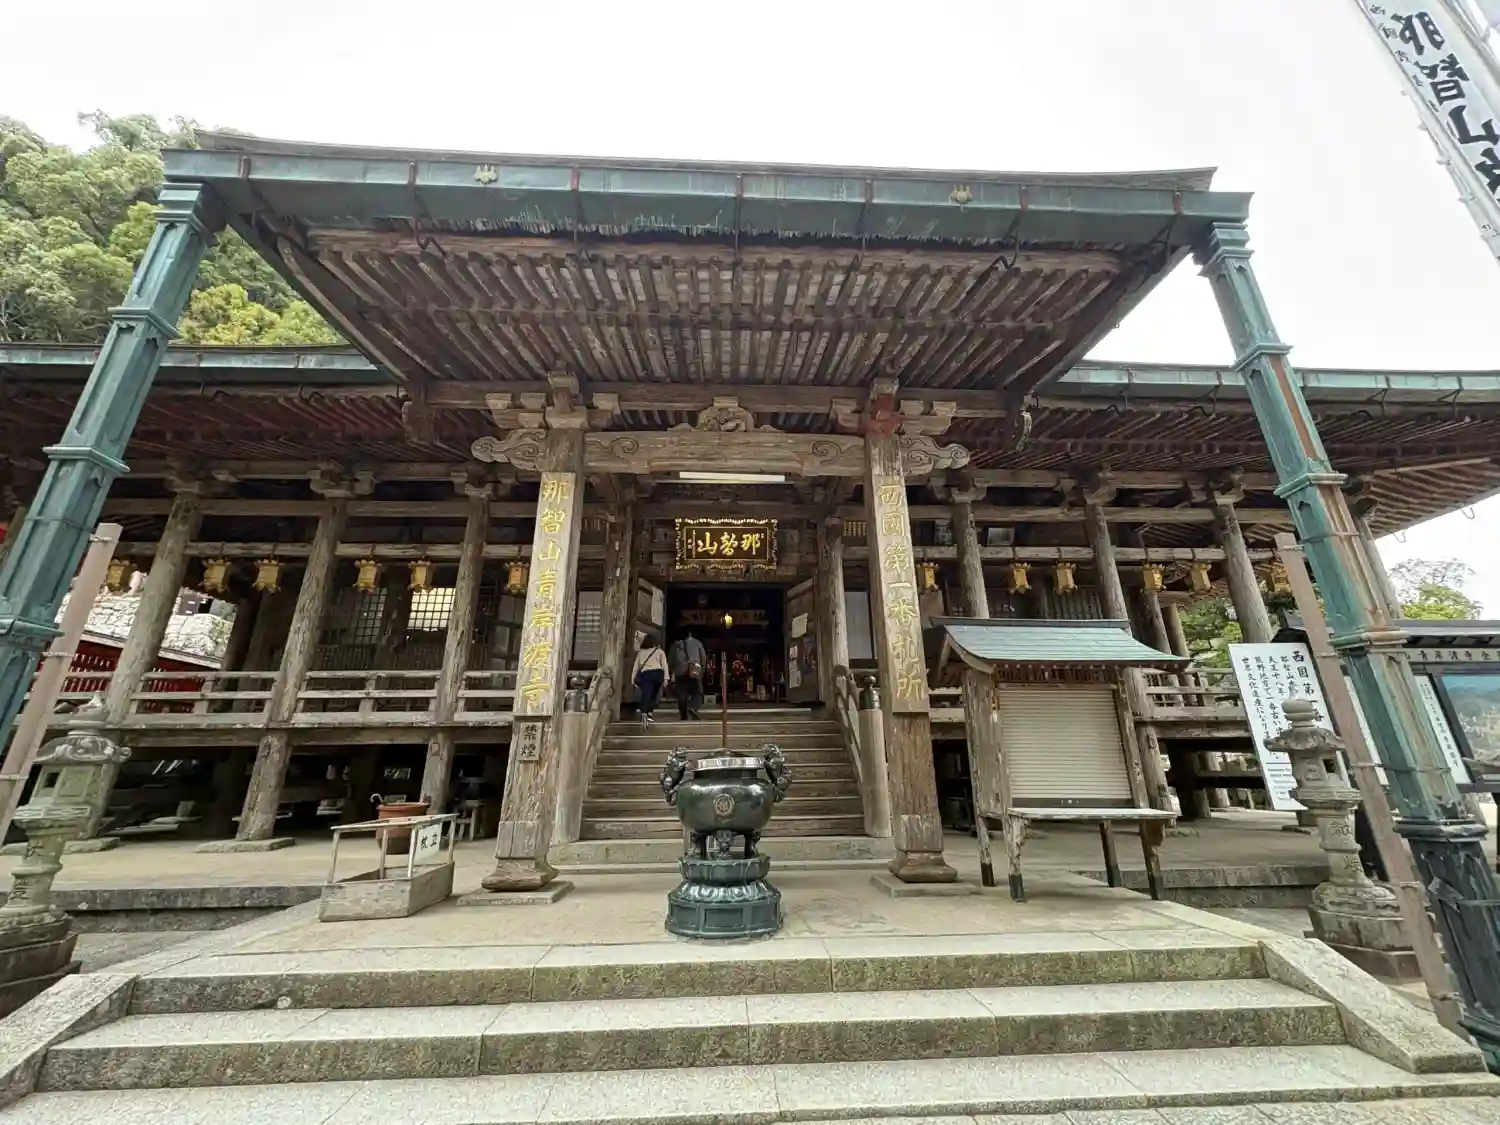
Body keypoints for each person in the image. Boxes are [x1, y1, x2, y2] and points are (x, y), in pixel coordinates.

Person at [669, 630, 707, 720]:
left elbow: (671, 659)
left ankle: (683, 715)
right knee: (698, 692)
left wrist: (671, 671)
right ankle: (692, 707)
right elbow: (703, 658)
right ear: (690, 634)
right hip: (694, 669)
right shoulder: (697, 643)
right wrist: (701, 671)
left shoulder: (675, 645)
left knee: (681, 693)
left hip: (680, 671)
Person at [632, 636, 668, 727]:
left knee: (646, 694)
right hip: (658, 674)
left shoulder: (641, 653)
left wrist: (632, 679)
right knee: (654, 694)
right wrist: (666, 678)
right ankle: (650, 713)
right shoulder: (659, 651)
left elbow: (636, 667)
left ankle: (644, 712)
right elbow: (665, 665)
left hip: (646, 674)